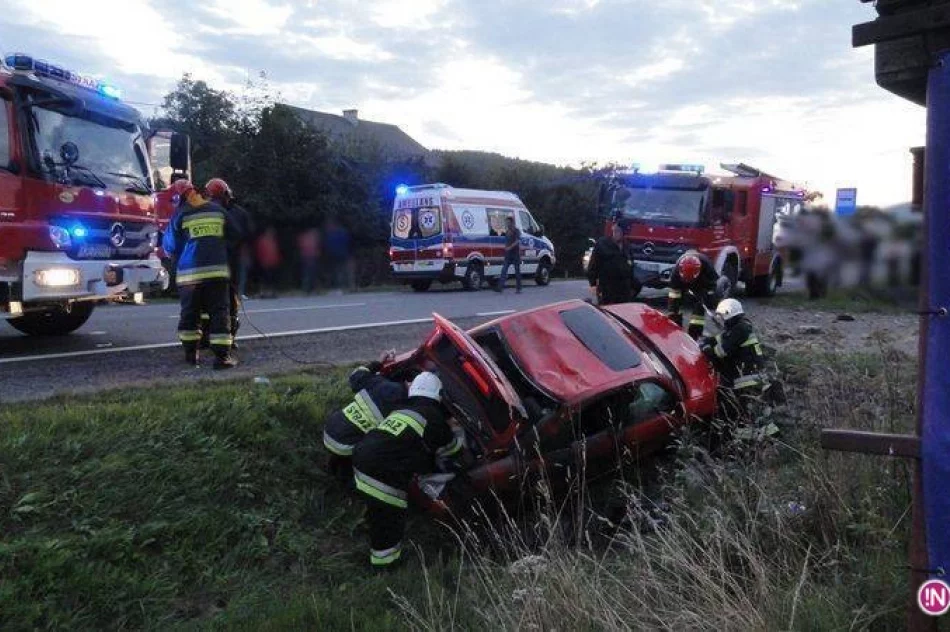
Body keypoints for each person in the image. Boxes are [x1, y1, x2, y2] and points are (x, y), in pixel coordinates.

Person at [351, 372, 463, 568]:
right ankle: (385, 566)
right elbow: (452, 450)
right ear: (438, 395)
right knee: (390, 517)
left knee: (379, 507)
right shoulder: (434, 417)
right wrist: (456, 429)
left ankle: (370, 528)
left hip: (361, 455)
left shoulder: (403, 408)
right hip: (381, 468)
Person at [162, 179, 239, 369]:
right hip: (217, 274)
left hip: (189, 277)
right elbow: (235, 237)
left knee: (190, 314)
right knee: (220, 312)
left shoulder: (179, 215)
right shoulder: (218, 211)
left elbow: (169, 246)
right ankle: (222, 358)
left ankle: (191, 356)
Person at [322, 350, 408, 480]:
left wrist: (378, 362)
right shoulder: (404, 400)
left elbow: (357, 375)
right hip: (344, 445)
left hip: (329, 429)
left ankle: (335, 463)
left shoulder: (377, 382)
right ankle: (347, 476)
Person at [202, 178, 252, 348]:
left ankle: (228, 339)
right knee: (212, 305)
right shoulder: (211, 213)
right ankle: (209, 338)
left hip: (230, 265)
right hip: (217, 265)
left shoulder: (238, 214)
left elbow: (244, 237)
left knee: (229, 304)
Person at [699, 298, 767, 422]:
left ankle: (755, 439)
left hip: (747, 381)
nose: (721, 320)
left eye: (721, 316)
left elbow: (722, 351)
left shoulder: (740, 329)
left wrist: (708, 351)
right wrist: (708, 341)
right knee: (749, 416)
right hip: (749, 379)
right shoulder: (739, 327)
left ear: (727, 313)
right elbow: (722, 338)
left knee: (745, 416)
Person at [668, 250, 721, 340]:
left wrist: (708, 296)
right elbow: (674, 292)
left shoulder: (707, 265)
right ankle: (676, 332)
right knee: (674, 308)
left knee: (699, 310)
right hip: (681, 283)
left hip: (701, 284)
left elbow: (713, 284)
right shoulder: (676, 271)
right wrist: (673, 312)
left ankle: (694, 335)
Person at [586, 223, 638, 305]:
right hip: (607, 287)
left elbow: (630, 267)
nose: (616, 233)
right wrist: (593, 284)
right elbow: (593, 265)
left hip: (624, 289)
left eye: (619, 231)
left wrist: (633, 287)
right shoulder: (602, 244)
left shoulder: (627, 247)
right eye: (615, 231)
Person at [495, 216, 522, 293]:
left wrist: (510, 247)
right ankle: (500, 287)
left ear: (512, 222)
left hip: (515, 254)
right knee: (504, 270)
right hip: (508, 255)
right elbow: (507, 242)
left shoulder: (516, 231)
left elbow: (517, 241)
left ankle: (518, 288)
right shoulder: (507, 231)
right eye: (506, 222)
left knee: (517, 272)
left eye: (508, 222)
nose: (507, 224)